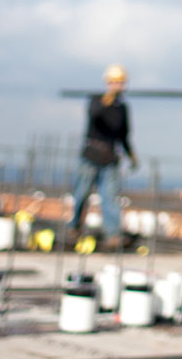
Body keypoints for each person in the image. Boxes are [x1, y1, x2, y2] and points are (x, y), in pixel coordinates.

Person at [70, 63, 138, 251]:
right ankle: (74, 227)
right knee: (81, 193)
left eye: (121, 83)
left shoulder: (122, 108)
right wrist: (106, 100)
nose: (119, 86)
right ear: (109, 83)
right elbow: (93, 115)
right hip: (91, 155)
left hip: (110, 159)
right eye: (115, 82)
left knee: (110, 198)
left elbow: (124, 135)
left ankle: (113, 234)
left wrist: (131, 155)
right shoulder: (97, 100)